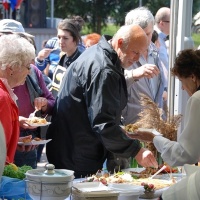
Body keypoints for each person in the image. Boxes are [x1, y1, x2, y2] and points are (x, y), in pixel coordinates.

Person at [46, 24, 158, 178]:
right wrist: (136, 151)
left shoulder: (101, 54)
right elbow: (103, 123)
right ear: (119, 43)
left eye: (141, 53)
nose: (137, 59)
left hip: (74, 147)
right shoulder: (104, 69)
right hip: (76, 153)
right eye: (135, 52)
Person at [126, 49, 200, 167]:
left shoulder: (197, 99)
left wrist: (154, 138)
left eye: (182, 81)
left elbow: (185, 154)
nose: (182, 88)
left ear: (192, 77)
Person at [122, 7, 166, 125]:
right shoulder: (121, 53)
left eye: (148, 34)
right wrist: (133, 74)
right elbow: (112, 84)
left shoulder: (155, 51)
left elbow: (158, 91)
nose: (146, 39)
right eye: (141, 35)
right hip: (132, 127)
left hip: (154, 126)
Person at [0, 34, 35, 164]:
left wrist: (15, 142)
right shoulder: (3, 98)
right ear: (12, 69)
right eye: (28, 66)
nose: (30, 72)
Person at [35, 16, 85, 81]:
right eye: (59, 37)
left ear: (75, 39)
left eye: (65, 38)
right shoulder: (53, 45)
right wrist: (40, 59)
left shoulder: (82, 58)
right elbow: (40, 69)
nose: (60, 42)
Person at [154, 7, 171, 98]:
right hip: (159, 89)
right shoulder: (154, 38)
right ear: (161, 23)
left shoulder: (162, 38)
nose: (174, 25)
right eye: (171, 21)